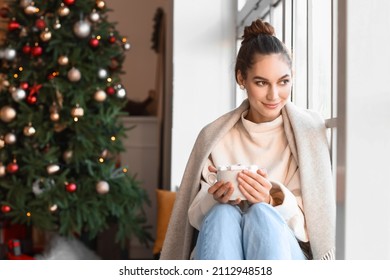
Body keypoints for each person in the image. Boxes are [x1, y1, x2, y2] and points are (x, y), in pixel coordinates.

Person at [160, 19, 335, 260]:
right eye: (261, 83)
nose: (274, 95)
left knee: (260, 214)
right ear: (241, 78)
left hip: (286, 249)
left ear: (292, 76)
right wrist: (213, 198)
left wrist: (270, 198)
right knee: (222, 215)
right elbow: (194, 220)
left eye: (283, 82)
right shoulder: (214, 137)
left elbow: (309, 228)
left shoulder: (306, 133)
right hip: (220, 242)